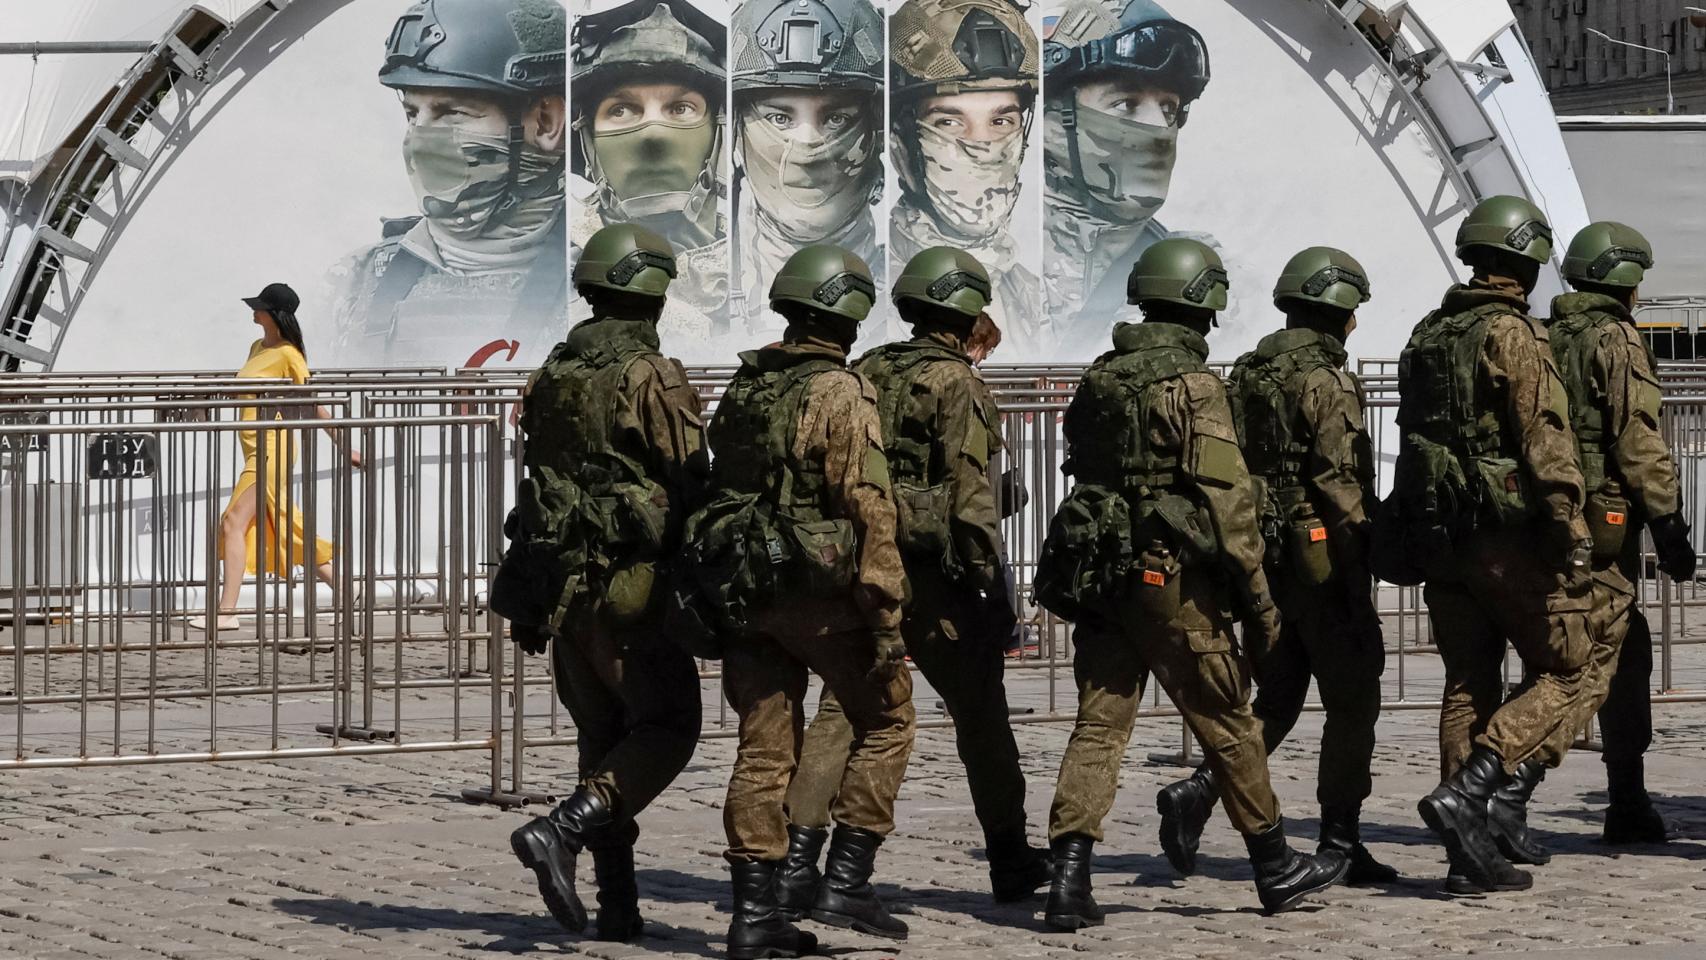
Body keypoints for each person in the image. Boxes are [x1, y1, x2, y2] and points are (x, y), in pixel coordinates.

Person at [1033, 238, 1347, 925]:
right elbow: (1229, 504)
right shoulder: (1195, 385)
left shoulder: (1102, 376)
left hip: (1102, 578)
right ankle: (1274, 865)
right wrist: (1260, 601)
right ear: (1204, 301)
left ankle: (1067, 879)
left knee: (1098, 726)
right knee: (1229, 722)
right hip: (1170, 584)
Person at [774, 247, 1050, 910]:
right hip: (940, 578)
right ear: (962, 310)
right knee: (982, 720)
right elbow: (969, 493)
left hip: (868, 568)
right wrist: (988, 578)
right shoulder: (957, 382)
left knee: (842, 713)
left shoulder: (866, 367)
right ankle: (1009, 859)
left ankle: (795, 864)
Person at [1381, 195, 1627, 895]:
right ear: (1527, 260)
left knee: (1468, 682)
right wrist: (1568, 524)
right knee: (1570, 668)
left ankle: (1468, 853)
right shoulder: (1510, 332)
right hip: (1505, 534)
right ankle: (1478, 787)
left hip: (1442, 532)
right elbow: (1543, 431)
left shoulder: (1428, 332)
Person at [681, 244, 911, 958]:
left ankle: (754, 914)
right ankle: (846, 877)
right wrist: (886, 606)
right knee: (890, 718)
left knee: (764, 749)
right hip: (819, 596)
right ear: (849, 313)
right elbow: (866, 500)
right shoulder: (841, 391)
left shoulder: (748, 386)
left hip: (747, 590)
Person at [1153, 247, 1395, 885]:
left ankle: (1202, 789)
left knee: (1281, 692)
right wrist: (1358, 565)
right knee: (1352, 698)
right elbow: (1338, 481)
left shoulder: (1250, 370)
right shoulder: (1326, 379)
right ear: (1338, 309)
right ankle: (1341, 841)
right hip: (1317, 554)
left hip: (1263, 552)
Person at [505, 225, 708, 942]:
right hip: (631, 586)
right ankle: (562, 830)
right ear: (651, 294)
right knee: (669, 725)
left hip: (562, 583)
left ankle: (617, 907)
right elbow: (688, 477)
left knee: (602, 738)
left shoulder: (554, 372)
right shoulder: (650, 376)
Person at [1484, 222, 1695, 864]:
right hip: (1605, 535)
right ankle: (1505, 792)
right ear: (1625, 279)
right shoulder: (1614, 338)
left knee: (1616, 659)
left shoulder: (1544, 332)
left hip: (1550, 525)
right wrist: (1670, 524)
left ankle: (1627, 802)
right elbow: (1637, 439)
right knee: (1589, 669)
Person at [329, 0, 568, 370]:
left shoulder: (609, 292)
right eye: (412, 114)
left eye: (451, 112)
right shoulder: (354, 283)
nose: (420, 137)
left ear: (546, 123)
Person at [1042, 0, 1211, 356]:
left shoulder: (1202, 270)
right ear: (1054, 117)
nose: (1159, 128)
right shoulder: (1004, 264)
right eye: (1125, 104)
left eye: (1169, 108)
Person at [193, 283, 363, 632]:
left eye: (260, 307)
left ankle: (226, 613)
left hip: (273, 449)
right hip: (254, 448)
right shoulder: (257, 346)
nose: (253, 311)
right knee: (282, 525)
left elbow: (311, 402)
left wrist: (343, 445)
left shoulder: (289, 354)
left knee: (232, 524)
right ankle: (347, 588)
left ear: (275, 315)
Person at [570, 0, 729, 340]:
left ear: (719, 131)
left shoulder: (757, 271)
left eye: (680, 108)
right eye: (622, 110)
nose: (653, 135)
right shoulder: (554, 277)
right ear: (588, 138)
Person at [888, 0, 1042, 350]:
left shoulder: (1033, 300)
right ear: (901, 140)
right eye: (949, 122)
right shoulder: (867, 294)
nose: (982, 146)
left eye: (1001, 121)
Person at [728, 0, 885, 337]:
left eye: (836, 118)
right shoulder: (701, 297)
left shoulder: (907, 299)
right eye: (779, 118)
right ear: (737, 130)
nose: (807, 146)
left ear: (877, 134)